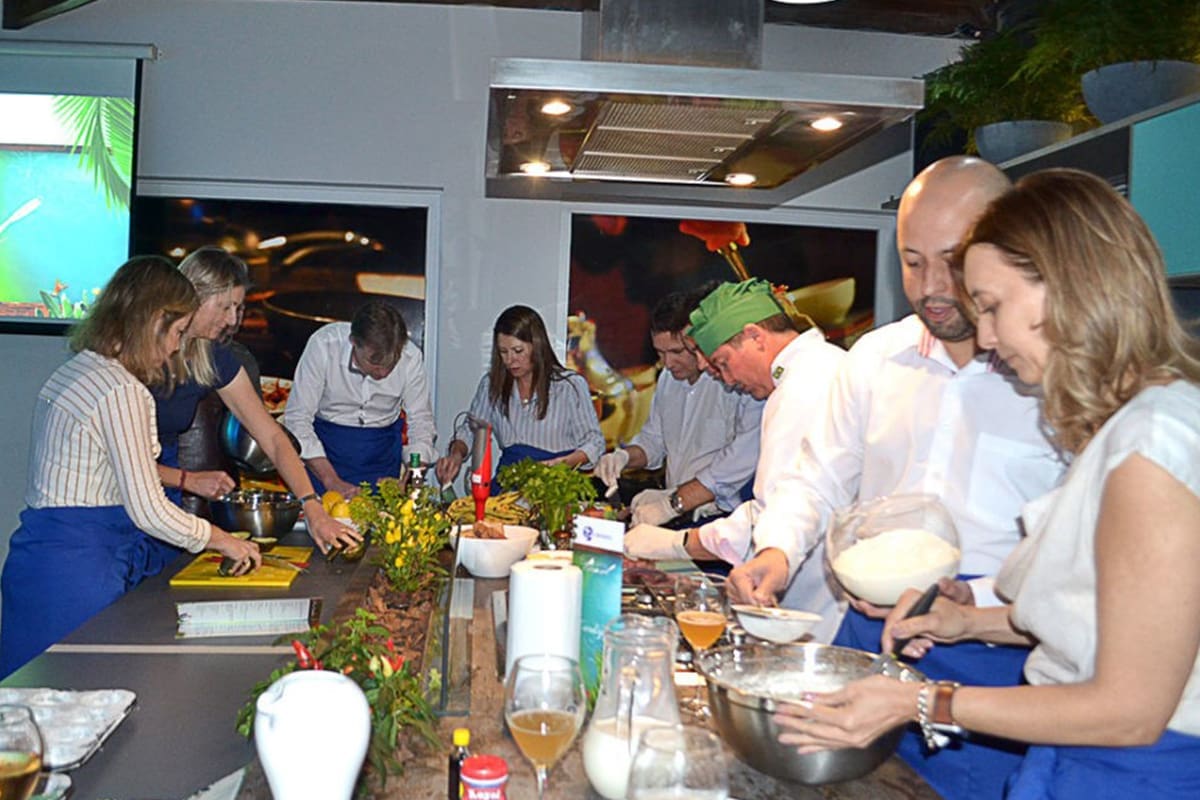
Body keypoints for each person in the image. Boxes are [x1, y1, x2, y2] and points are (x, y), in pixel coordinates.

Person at [774, 168, 1200, 799]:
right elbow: (1097, 623)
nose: (989, 337)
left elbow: (1129, 711)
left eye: (995, 307)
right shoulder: (1124, 430)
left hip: (1137, 773)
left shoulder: (1153, 443)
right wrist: (968, 622)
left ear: (1070, 287)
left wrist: (922, 701)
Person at [728, 156, 1065, 799]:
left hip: (997, 652)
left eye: (953, 260)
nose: (932, 285)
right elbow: (817, 476)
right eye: (912, 262)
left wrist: (972, 606)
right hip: (870, 640)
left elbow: (1083, 570)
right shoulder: (876, 358)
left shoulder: (1054, 378)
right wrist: (777, 550)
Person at [0, 257, 262, 677]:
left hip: (37, 563)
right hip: (80, 571)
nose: (177, 347)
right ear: (153, 322)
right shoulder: (122, 390)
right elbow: (148, 510)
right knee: (84, 694)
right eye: (177, 332)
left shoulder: (78, 369)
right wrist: (224, 541)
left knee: (25, 697)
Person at [624, 279, 847, 638]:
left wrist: (679, 542)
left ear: (755, 336)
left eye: (724, 363)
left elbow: (772, 514)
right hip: (808, 582)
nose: (727, 380)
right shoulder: (816, 369)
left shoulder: (804, 387)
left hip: (823, 598)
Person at [153, 247, 357, 556]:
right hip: (119, 493)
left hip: (167, 489)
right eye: (225, 307)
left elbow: (272, 438)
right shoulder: (147, 352)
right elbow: (120, 461)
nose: (231, 319)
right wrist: (187, 479)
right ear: (194, 295)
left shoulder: (213, 354)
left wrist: (312, 505)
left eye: (237, 307)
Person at [594, 286, 762, 527]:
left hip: (723, 517)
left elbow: (736, 463)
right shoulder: (667, 379)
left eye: (676, 352)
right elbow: (653, 442)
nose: (668, 363)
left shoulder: (735, 383)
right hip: (677, 510)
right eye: (660, 353)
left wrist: (671, 501)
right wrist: (623, 457)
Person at [435, 305, 605, 488]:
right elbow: (471, 430)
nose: (510, 360)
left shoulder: (569, 386)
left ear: (537, 346)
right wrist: (456, 455)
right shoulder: (491, 385)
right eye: (503, 352)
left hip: (555, 486)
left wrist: (560, 464)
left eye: (518, 351)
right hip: (507, 487)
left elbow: (594, 442)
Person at [284, 299, 436, 500]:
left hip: (381, 460)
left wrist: (412, 478)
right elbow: (297, 420)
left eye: (391, 363)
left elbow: (421, 423)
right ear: (354, 342)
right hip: (324, 458)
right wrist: (331, 480)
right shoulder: (324, 345)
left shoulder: (411, 357)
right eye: (374, 362)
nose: (383, 372)